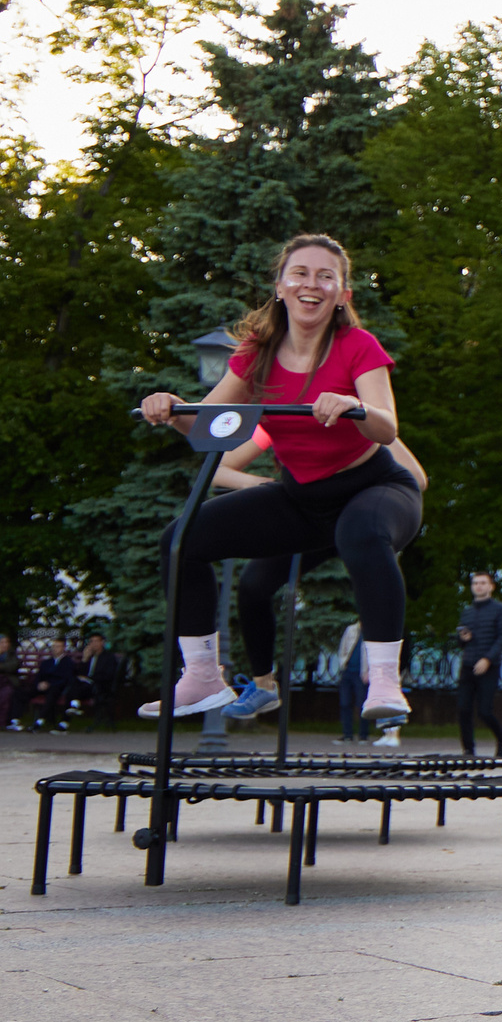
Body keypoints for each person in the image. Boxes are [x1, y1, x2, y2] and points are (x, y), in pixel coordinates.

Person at [137, 234, 419, 726]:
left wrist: (354, 406)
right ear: (280, 287)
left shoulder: (357, 346)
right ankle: (202, 676)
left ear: (343, 295)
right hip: (302, 499)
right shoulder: (258, 352)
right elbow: (207, 428)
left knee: (361, 532)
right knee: (181, 540)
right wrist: (171, 408)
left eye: (326, 277)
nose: (312, 285)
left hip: (375, 488)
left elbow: (387, 427)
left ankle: (384, 681)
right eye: (301, 274)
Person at [210, 426, 432, 744]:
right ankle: (263, 685)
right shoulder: (280, 420)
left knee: (371, 561)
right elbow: (219, 469)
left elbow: (416, 478)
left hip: (361, 517)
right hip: (313, 520)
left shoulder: (358, 421)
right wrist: (259, 485)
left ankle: (386, 684)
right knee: (253, 584)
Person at [455, 572, 502, 758]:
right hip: (468, 664)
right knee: (463, 708)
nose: (478, 586)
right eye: (475, 583)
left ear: (491, 587)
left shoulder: (500, 610)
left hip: (489, 666)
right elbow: (460, 640)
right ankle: (468, 750)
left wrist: (487, 659)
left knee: (484, 711)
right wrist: (463, 638)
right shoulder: (467, 611)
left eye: (482, 583)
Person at [60, 633, 122, 726]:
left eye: (96, 641)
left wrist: (90, 679)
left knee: (75, 689)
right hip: (83, 687)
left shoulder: (109, 657)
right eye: (91, 642)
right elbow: (79, 673)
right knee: (74, 685)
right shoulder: (89, 656)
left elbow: (108, 675)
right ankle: (72, 709)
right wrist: (84, 659)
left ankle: (65, 721)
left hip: (99, 686)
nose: (94, 644)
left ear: (102, 643)